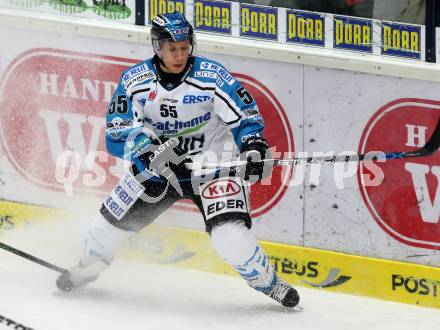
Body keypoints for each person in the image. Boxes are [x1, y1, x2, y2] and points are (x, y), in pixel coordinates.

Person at [56, 12, 300, 308]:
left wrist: (253, 144)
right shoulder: (135, 81)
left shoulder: (211, 75)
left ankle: (269, 283)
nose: (180, 55)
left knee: (230, 239)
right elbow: (117, 133)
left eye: (185, 47)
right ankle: (87, 269)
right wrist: (146, 150)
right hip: (159, 172)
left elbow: (245, 115)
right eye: (172, 48)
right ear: (157, 47)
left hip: (214, 169)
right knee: (104, 229)